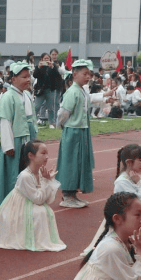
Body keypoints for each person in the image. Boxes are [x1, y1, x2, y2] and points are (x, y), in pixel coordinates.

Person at [80, 144, 141, 263]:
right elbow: (139, 202)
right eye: (140, 160)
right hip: (129, 215)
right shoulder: (121, 182)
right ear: (129, 162)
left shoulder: (137, 176)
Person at [0, 140, 65, 252]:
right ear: (31, 155)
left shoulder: (41, 172)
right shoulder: (25, 176)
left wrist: (49, 181)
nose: (47, 157)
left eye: (47, 153)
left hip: (31, 202)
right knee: (40, 212)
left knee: (46, 211)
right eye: (43, 153)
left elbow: (48, 200)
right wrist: (46, 182)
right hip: (17, 208)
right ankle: (30, 239)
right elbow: (38, 200)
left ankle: (36, 240)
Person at [0, 62, 37, 205]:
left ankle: (25, 201)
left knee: (27, 172)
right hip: (15, 142)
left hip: (27, 140)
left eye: (28, 76)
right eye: (24, 77)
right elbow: (6, 122)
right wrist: (8, 146)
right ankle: (11, 204)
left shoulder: (27, 95)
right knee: (14, 174)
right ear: (14, 79)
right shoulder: (8, 97)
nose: (28, 80)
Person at [56, 59, 96, 209]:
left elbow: (90, 101)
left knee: (79, 163)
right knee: (70, 163)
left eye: (89, 74)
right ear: (74, 74)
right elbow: (63, 113)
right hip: (73, 132)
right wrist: (63, 126)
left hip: (82, 130)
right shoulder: (72, 92)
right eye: (85, 74)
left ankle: (73, 194)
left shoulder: (82, 91)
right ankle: (67, 195)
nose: (88, 77)